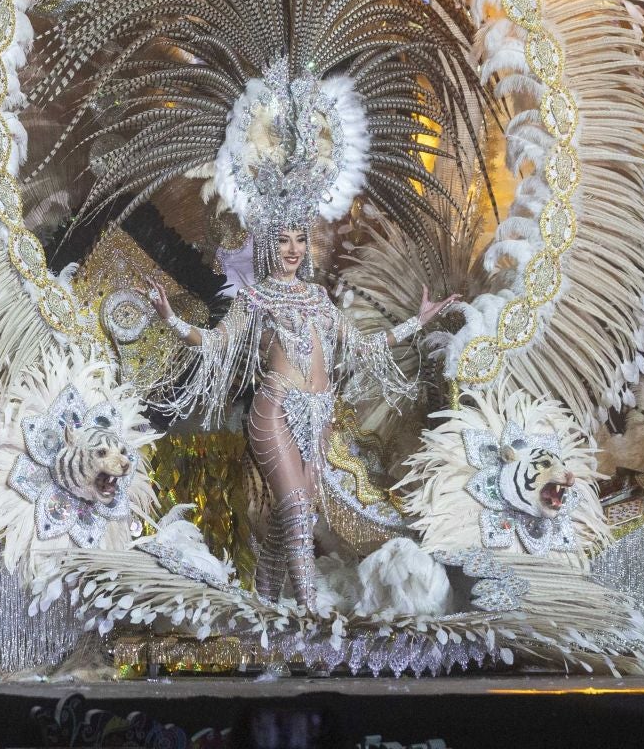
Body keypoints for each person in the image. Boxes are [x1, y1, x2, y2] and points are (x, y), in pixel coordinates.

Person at [148, 224, 454, 607]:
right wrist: (171, 318)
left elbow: (363, 345)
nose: (293, 249)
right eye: (282, 240)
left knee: (293, 516)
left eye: (300, 240)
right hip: (275, 408)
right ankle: (309, 617)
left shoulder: (317, 297)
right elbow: (214, 341)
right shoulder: (254, 298)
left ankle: (264, 606)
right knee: (294, 506)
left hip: (318, 414)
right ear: (268, 247)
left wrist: (418, 322)